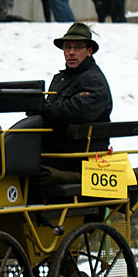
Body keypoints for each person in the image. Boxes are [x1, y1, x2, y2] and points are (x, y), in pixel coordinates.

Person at [39, 22, 112, 168]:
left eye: (78, 47)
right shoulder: (61, 78)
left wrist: (43, 108)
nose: (71, 52)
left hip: (77, 155)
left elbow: (76, 110)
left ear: (89, 51)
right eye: (68, 47)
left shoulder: (93, 79)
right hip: (56, 149)